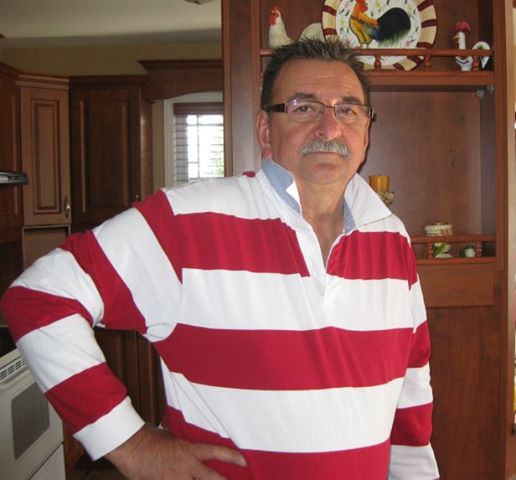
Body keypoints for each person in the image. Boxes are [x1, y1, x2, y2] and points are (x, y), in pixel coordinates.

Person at [0, 39, 439, 479]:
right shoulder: (185, 223)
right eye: (304, 108)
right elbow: (39, 297)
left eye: (348, 109)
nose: (329, 127)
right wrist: (127, 443)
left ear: (366, 130)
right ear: (266, 131)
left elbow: (411, 389)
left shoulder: (391, 236)